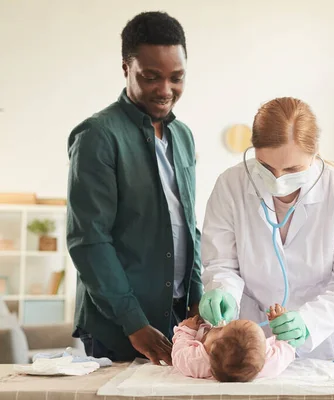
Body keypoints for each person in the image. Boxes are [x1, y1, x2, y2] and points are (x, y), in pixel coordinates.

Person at [66, 11, 202, 365]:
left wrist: (198, 296)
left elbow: (189, 225)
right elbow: (89, 240)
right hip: (120, 326)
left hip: (175, 319)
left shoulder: (183, 136)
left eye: (177, 78)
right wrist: (133, 322)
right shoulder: (97, 136)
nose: (165, 90)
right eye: (151, 77)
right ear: (126, 67)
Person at [199, 97, 334, 360]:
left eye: (292, 169)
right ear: (253, 151)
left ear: (314, 155)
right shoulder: (231, 185)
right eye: (266, 167)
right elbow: (222, 264)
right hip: (259, 340)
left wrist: (309, 321)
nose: (278, 180)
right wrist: (223, 291)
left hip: (329, 342)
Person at [172, 304, 295, 381]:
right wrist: (281, 324)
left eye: (223, 328)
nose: (224, 323)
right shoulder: (268, 361)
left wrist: (187, 329)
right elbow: (287, 345)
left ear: (209, 348)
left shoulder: (195, 361)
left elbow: (179, 350)